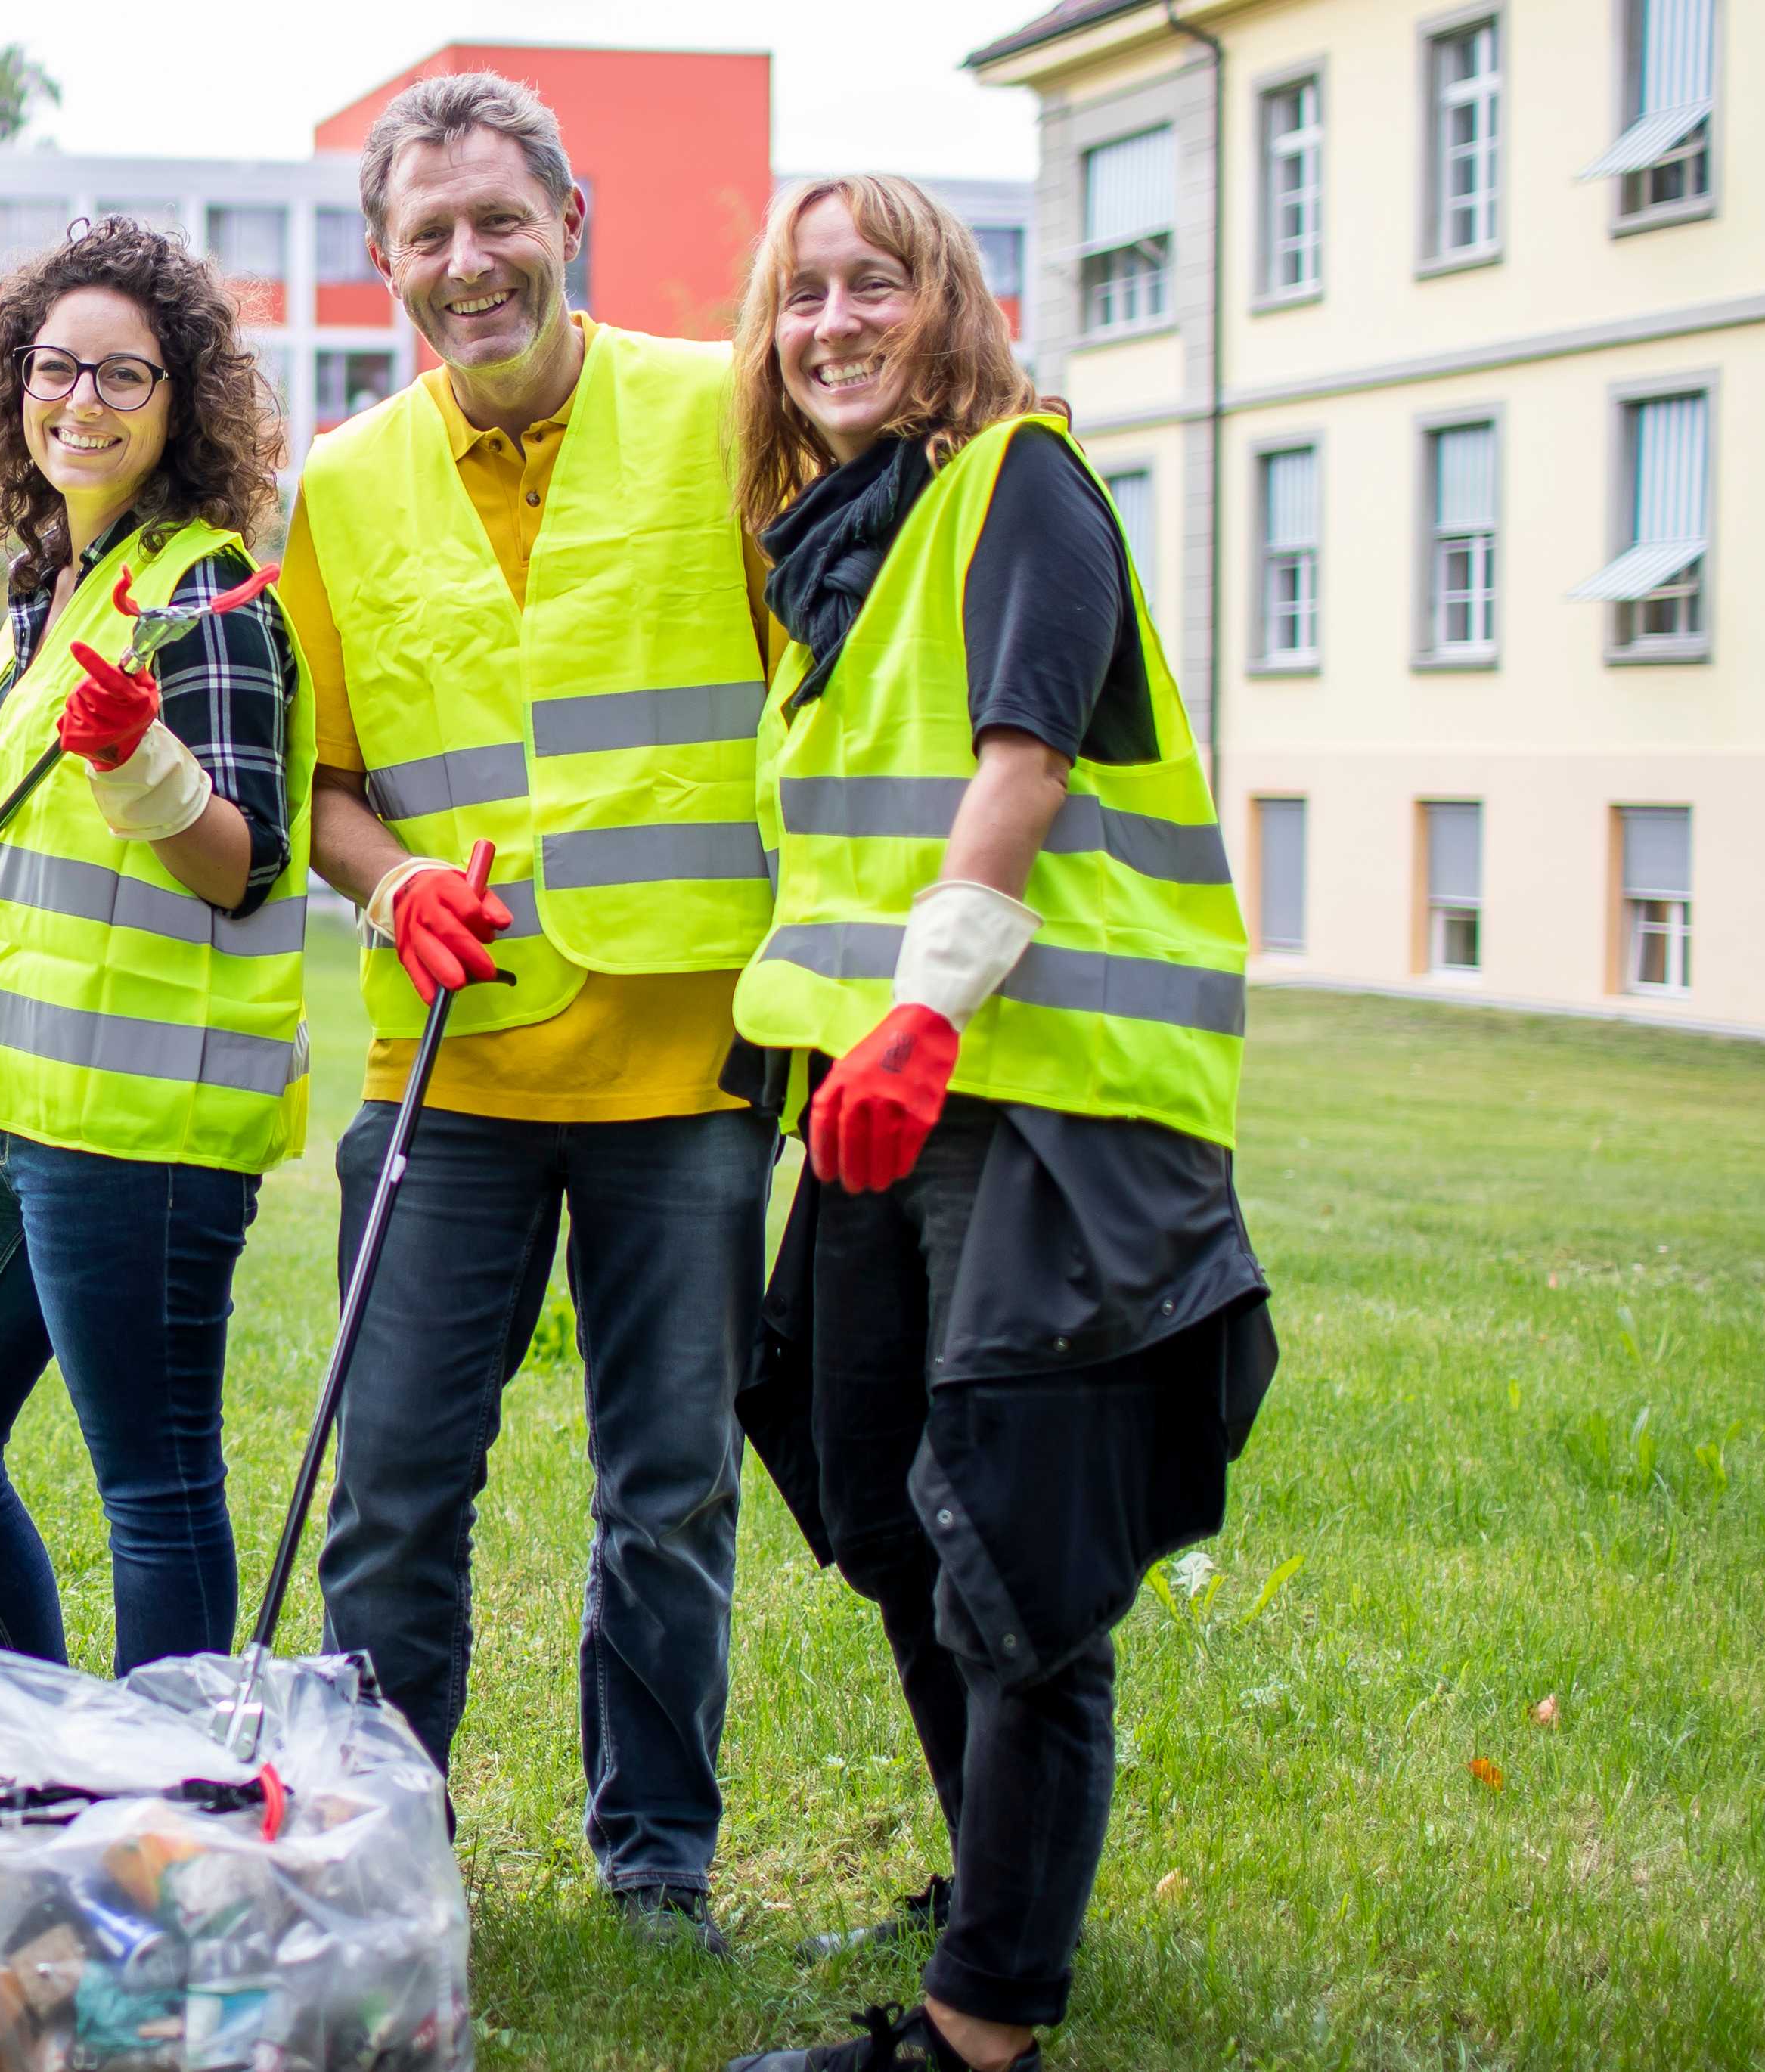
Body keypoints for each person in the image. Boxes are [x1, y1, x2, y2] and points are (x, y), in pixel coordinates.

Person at [714, 177, 1277, 2072]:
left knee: (1010, 1554)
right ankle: (999, 1880)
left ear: (948, 305)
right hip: (886, 1103)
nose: (833, 319)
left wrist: (921, 1014)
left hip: (1034, 1095)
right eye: (803, 294)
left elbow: (1019, 765)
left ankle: (980, 2024)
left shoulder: (1017, 480)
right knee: (869, 1487)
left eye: (876, 282)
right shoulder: (833, 551)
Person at [280, 71, 780, 1940]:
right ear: (384, 261)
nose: (467, 261)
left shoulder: (722, 413)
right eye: (429, 233)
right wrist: (391, 878)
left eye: (500, 220)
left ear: (572, 222)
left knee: (668, 1495)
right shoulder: (339, 482)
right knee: (393, 1484)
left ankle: (654, 1860)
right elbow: (327, 780)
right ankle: (377, 1850)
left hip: (683, 1069)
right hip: (452, 1069)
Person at [0, 217, 309, 1676]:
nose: (82, 403)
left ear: (180, 403)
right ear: (11, 389)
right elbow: (58, 866)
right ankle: (49, 1742)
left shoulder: (205, 595)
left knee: (154, 1492)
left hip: (145, 1135)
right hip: (6, 1111)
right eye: (55, 370)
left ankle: (167, 1815)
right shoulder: (46, 592)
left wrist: (144, 761)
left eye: (125, 375)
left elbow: (237, 866)